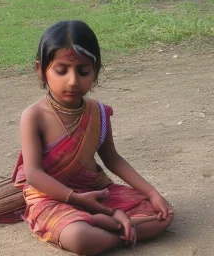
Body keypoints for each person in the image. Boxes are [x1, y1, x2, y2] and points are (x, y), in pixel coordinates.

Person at [12, 20, 174, 255]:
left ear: (96, 71)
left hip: (96, 193)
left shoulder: (98, 112)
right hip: (52, 197)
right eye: (61, 70)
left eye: (83, 71)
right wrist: (76, 198)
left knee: (163, 214)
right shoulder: (33, 116)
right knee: (79, 237)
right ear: (40, 69)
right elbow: (34, 174)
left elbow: (113, 160)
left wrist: (153, 194)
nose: (73, 80)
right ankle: (116, 227)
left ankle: (108, 225)